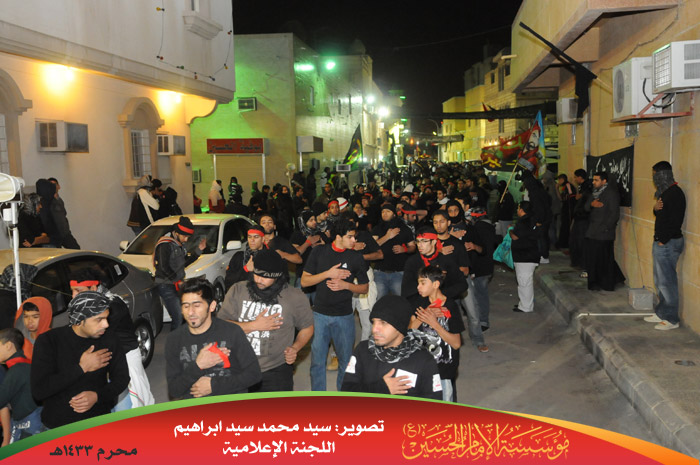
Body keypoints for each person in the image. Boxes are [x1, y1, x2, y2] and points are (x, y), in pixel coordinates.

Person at [218, 250, 314, 391]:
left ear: (277, 275)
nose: (258, 280)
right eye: (256, 274)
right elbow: (220, 326)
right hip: (239, 367)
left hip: (276, 371)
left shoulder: (294, 296)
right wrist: (253, 325)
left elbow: (307, 327)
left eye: (264, 277)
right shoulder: (238, 290)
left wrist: (295, 348)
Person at [31, 291, 129, 429]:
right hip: (58, 427)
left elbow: (122, 378)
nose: (106, 324)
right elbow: (39, 391)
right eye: (99, 319)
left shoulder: (110, 339)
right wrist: (81, 368)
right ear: (79, 320)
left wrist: (97, 396)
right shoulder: (49, 341)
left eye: (106, 318)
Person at [69, 269, 154, 409]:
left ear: (94, 288)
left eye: (78, 291)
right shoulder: (88, 306)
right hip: (107, 360)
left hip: (125, 359)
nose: (73, 296)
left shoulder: (112, 306)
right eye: (72, 291)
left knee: (132, 405)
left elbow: (92, 337)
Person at [301, 218, 369, 391]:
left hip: (344, 316)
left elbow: (364, 287)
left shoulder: (356, 257)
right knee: (317, 362)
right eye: (350, 237)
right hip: (319, 315)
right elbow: (304, 281)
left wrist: (346, 285)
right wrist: (327, 274)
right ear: (338, 237)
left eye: (355, 237)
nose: (354, 240)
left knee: (346, 362)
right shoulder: (319, 252)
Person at [165, 277, 261, 399]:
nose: (190, 312)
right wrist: (198, 366)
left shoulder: (232, 332)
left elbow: (254, 375)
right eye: (186, 306)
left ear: (212, 306)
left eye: (197, 305)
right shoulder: (174, 339)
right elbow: (174, 390)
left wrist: (214, 386)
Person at [341, 295, 442, 400]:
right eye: (374, 322)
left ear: (400, 326)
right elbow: (346, 392)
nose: (374, 329)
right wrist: (381, 389)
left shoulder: (423, 360)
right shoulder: (363, 350)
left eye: (383, 323)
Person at [409, 266, 464, 402]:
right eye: (418, 283)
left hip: (443, 371)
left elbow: (456, 343)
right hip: (421, 368)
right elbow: (409, 331)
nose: (418, 287)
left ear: (436, 284)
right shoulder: (418, 302)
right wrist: (427, 313)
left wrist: (434, 324)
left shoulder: (450, 306)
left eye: (423, 283)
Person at [644, 161, 686, 331]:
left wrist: (664, 240)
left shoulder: (675, 193)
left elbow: (675, 221)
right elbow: (662, 213)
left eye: (655, 174)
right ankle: (662, 312)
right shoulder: (665, 192)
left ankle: (671, 319)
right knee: (660, 281)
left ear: (663, 174)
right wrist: (655, 208)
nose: (654, 178)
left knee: (667, 282)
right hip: (662, 242)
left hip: (668, 243)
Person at [154, 216, 206, 329]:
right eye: (184, 236)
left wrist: (198, 251)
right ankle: (175, 339)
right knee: (178, 316)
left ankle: (181, 337)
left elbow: (183, 264)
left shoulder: (177, 244)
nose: (186, 240)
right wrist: (176, 281)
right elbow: (163, 267)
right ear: (176, 233)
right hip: (166, 285)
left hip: (176, 284)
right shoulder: (165, 244)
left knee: (183, 316)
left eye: (188, 237)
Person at [400, 226, 467, 301]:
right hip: (421, 302)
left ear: (434, 241)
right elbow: (407, 290)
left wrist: (441, 295)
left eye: (424, 241)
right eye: (418, 241)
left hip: (445, 300)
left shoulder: (445, 260)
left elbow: (462, 284)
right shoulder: (412, 262)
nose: (419, 245)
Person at [0, 328, 43, 443]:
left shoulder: (17, 370)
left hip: (30, 424)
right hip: (31, 420)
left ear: (8, 346)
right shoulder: (26, 365)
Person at [584, 172, 625, 291]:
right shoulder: (595, 193)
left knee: (604, 259)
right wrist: (592, 204)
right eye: (593, 180)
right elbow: (586, 207)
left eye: (596, 180)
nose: (593, 182)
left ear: (604, 181)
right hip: (593, 231)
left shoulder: (611, 193)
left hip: (604, 233)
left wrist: (606, 228)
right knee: (593, 259)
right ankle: (595, 282)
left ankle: (606, 283)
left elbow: (614, 214)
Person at [463, 206, 495, 351]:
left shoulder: (479, 228)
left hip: (481, 268)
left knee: (480, 296)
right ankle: (482, 320)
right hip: (486, 267)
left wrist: (473, 270)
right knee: (481, 294)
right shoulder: (488, 227)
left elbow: (480, 250)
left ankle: (483, 321)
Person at [372, 203, 416, 299]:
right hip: (380, 272)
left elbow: (413, 247)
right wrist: (387, 236)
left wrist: (404, 249)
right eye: (383, 212)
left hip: (398, 272)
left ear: (394, 214)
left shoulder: (404, 229)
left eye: (388, 211)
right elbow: (372, 246)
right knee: (379, 301)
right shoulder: (377, 228)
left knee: (400, 300)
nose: (385, 214)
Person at [510, 201, 540, 313]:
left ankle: (526, 306)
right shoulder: (532, 220)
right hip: (529, 254)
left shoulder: (524, 222)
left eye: (518, 208)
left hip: (524, 256)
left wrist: (510, 231)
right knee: (525, 282)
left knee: (524, 282)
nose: (517, 210)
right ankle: (524, 303)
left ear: (522, 210)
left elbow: (516, 237)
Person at [225, 225, 267, 290]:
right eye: (249, 237)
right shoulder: (239, 256)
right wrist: (245, 270)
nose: (252, 240)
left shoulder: (270, 257)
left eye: (256, 237)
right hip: (241, 293)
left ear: (263, 239)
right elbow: (228, 282)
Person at [570, 169, 592, 270]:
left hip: (583, 218)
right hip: (579, 217)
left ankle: (583, 263)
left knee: (580, 242)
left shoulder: (587, 188)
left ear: (580, 177)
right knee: (576, 241)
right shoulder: (583, 187)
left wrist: (580, 197)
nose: (574, 179)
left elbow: (585, 205)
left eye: (575, 177)